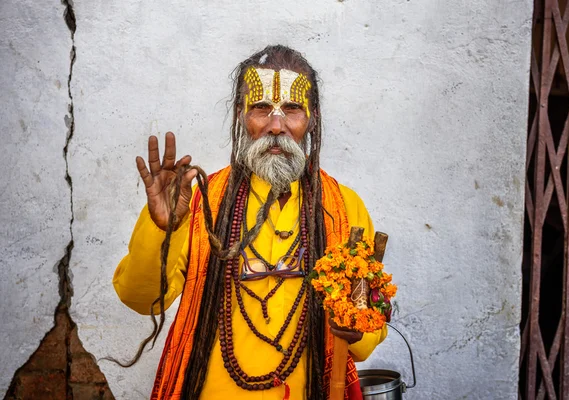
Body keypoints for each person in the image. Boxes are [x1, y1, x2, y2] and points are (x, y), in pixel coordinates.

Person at [113, 45, 386, 400]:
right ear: (242, 115)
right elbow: (139, 299)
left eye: (292, 109)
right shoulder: (200, 202)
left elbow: (365, 341)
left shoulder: (344, 208)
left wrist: (355, 329)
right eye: (261, 108)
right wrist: (163, 228)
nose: (276, 125)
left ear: (312, 117)